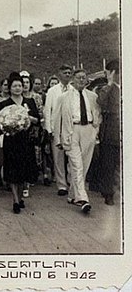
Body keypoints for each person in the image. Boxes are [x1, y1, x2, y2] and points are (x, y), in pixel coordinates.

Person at [54, 69, 101, 213]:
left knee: (84, 165)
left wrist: (95, 131)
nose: (82, 80)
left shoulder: (93, 96)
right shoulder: (64, 97)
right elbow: (57, 120)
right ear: (73, 79)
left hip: (88, 130)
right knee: (77, 164)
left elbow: (98, 115)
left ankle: (73, 195)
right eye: (79, 77)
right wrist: (58, 138)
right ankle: (83, 199)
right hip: (72, 131)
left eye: (84, 78)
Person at [0, 73, 40, 214]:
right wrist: (8, 126)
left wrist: (27, 117)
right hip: (11, 141)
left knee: (23, 171)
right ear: (9, 88)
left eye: (20, 85)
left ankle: (20, 197)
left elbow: (38, 120)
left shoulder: (30, 102)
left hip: (26, 141)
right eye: (14, 86)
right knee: (13, 170)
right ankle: (15, 200)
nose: (17, 88)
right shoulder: (3, 104)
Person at [43, 64, 73, 196]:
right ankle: (61, 185)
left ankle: (72, 182)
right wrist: (49, 129)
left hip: (71, 128)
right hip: (56, 128)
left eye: (69, 72)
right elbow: (47, 111)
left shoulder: (73, 89)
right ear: (59, 74)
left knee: (72, 157)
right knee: (58, 157)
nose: (67, 75)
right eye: (65, 72)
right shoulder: (52, 91)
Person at [94, 59, 120, 205]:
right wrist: (109, 83)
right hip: (110, 132)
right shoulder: (107, 89)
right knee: (108, 164)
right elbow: (100, 101)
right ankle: (108, 194)